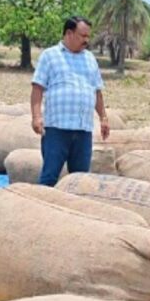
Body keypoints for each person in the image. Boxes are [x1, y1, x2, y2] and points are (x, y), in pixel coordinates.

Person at [30, 16, 110, 186]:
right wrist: (36, 117)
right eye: (83, 36)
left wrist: (103, 118)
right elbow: (37, 88)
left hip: (83, 130)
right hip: (57, 129)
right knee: (49, 177)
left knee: (80, 181)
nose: (87, 40)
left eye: (88, 36)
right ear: (69, 33)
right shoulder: (50, 56)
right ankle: (43, 203)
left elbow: (97, 91)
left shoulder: (90, 58)